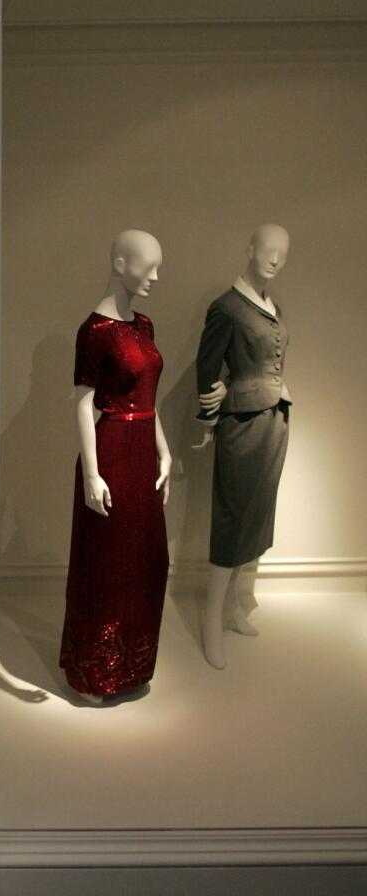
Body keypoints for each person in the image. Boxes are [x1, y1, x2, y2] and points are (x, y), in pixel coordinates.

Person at [59, 230, 171, 704]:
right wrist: (91, 471)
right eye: (148, 265)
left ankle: (131, 666)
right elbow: (83, 402)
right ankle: (95, 673)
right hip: (112, 450)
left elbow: (150, 398)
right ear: (120, 262)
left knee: (147, 560)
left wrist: (164, 451)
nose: (155, 276)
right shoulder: (95, 331)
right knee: (107, 563)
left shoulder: (143, 325)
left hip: (144, 450)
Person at [192, 224, 292, 670]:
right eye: (268, 250)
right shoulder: (227, 308)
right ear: (249, 249)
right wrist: (208, 420)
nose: (275, 259)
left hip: (276, 421)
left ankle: (233, 608)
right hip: (242, 424)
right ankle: (212, 619)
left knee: (257, 513)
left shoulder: (274, 306)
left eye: (283, 254)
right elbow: (207, 367)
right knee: (232, 516)